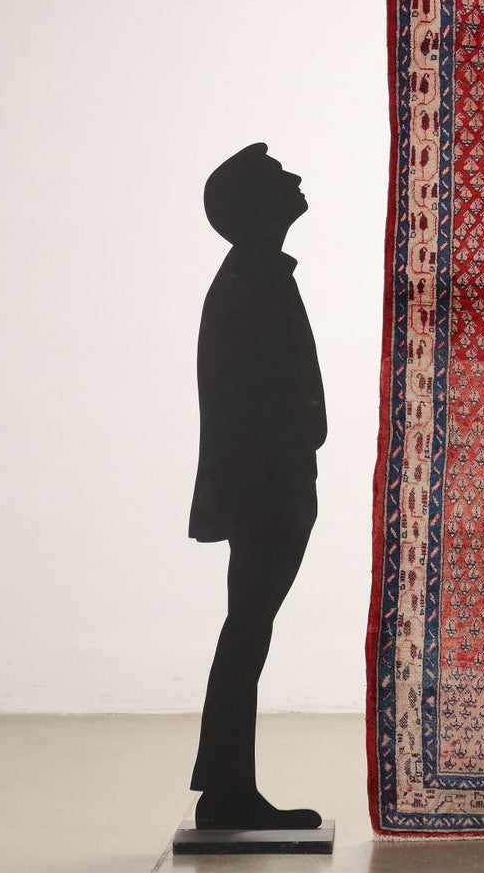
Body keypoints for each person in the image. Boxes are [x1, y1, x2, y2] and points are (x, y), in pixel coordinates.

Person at [188, 143, 325, 831]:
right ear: (254, 206)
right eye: (277, 177)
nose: (294, 177)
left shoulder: (256, 276)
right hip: (267, 488)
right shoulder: (254, 282)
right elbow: (252, 399)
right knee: (247, 631)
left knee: (247, 630)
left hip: (270, 484)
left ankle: (225, 787)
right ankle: (225, 791)